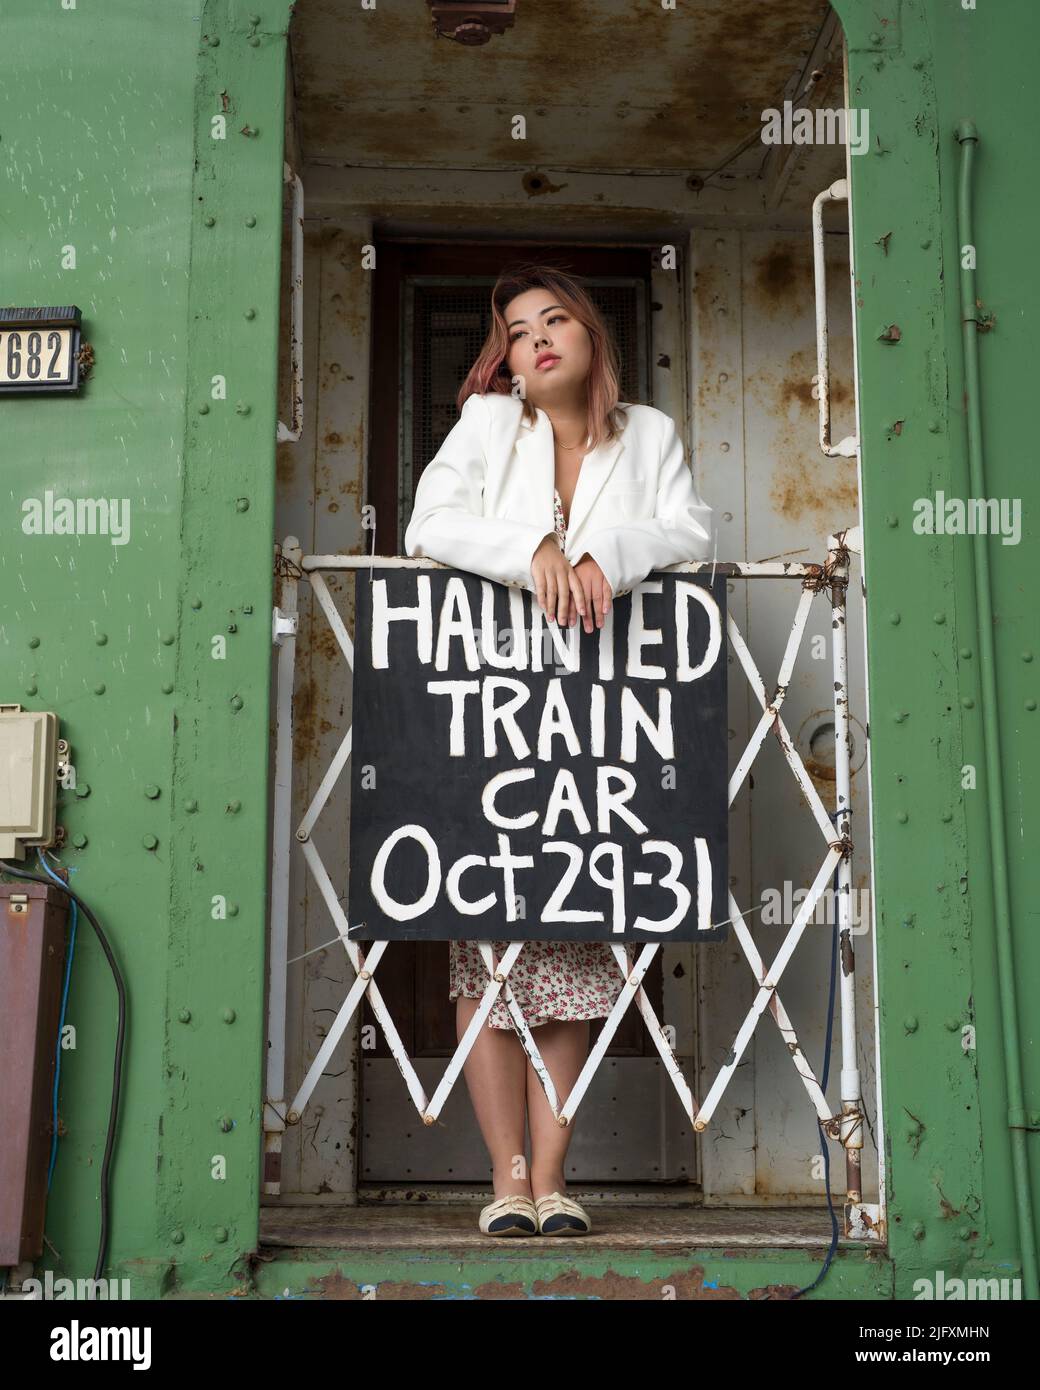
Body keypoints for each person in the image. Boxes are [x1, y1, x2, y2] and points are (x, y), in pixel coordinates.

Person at [404, 264, 714, 1237]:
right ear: (506, 356)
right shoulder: (492, 425)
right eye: (516, 327)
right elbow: (427, 524)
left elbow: (689, 534)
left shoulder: (648, 435)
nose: (536, 337)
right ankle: (504, 1180)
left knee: (577, 942)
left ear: (589, 334)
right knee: (488, 948)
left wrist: (598, 556)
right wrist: (531, 546)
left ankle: (552, 1177)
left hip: (604, 720)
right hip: (498, 712)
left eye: (554, 319)